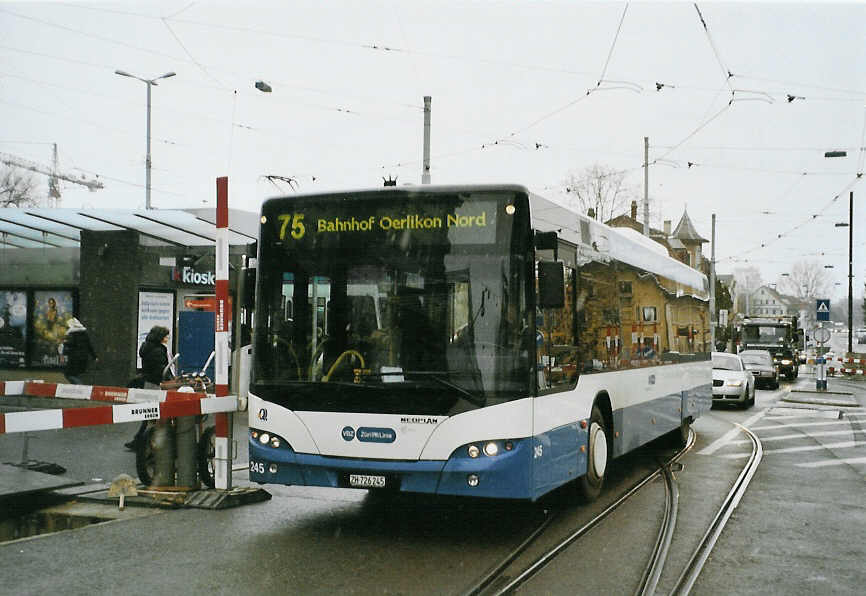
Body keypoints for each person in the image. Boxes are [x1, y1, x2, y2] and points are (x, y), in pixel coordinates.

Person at [125, 325, 171, 450]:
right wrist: (169, 379)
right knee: (153, 414)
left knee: (149, 414)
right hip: (155, 384)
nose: (167, 338)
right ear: (160, 336)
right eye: (166, 336)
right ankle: (142, 441)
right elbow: (161, 369)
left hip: (148, 382)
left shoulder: (147, 346)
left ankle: (140, 440)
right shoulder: (158, 350)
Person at [61, 317, 98, 384]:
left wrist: (64, 346)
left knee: (69, 374)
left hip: (75, 359)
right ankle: (78, 388)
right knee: (76, 375)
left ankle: (80, 388)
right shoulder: (84, 334)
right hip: (83, 359)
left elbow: (70, 346)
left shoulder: (72, 335)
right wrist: (95, 357)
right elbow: (89, 346)